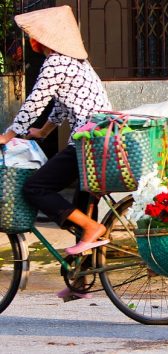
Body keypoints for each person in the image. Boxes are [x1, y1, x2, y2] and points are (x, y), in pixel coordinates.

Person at [0, 6, 112, 298]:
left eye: (34, 36)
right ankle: (80, 282)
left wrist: (10, 134)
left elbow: (36, 102)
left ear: (45, 37)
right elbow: (63, 103)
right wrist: (44, 131)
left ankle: (91, 229)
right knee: (80, 206)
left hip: (88, 143)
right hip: (101, 141)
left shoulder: (56, 63)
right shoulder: (76, 62)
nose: (32, 41)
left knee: (35, 187)